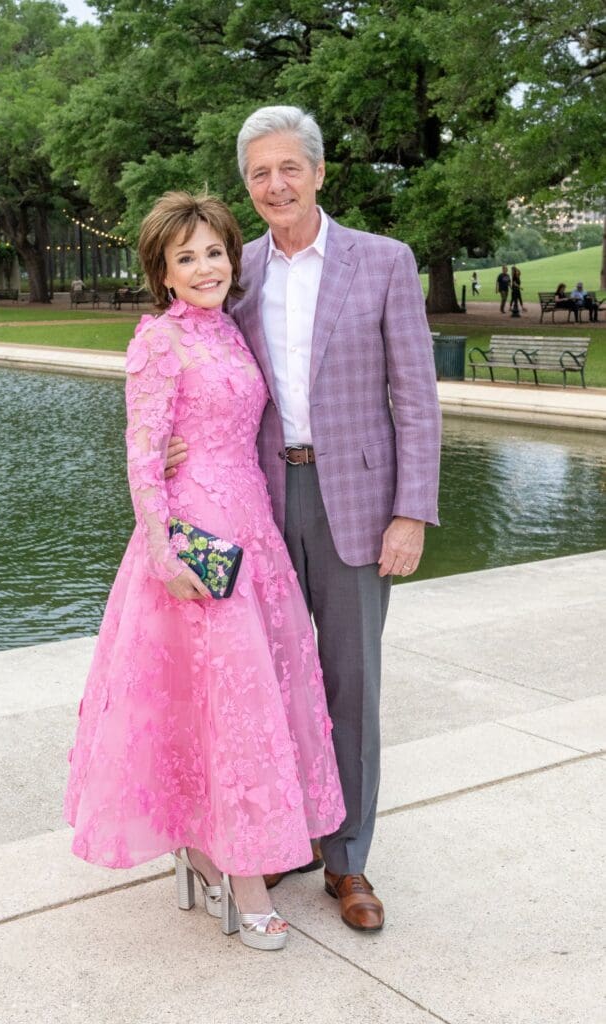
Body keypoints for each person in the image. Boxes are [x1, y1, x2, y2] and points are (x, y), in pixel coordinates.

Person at [166, 106, 441, 932]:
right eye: (258, 173)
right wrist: (177, 451)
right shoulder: (232, 268)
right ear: (245, 187)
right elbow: (196, 368)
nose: (274, 184)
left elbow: (415, 400)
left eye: (289, 167)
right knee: (269, 678)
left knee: (350, 682)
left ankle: (346, 860)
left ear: (319, 173)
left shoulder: (383, 262)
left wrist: (411, 513)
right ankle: (284, 833)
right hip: (254, 501)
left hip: (355, 502)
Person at [63, 190, 345, 953]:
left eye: (213, 251)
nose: (203, 266)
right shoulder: (158, 340)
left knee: (240, 703)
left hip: (251, 530)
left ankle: (207, 849)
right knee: (227, 708)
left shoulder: (226, 330)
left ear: (231, 254)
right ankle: (243, 877)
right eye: (184, 257)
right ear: (162, 270)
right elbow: (139, 454)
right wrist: (165, 553)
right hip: (196, 542)